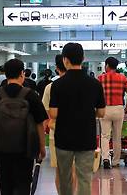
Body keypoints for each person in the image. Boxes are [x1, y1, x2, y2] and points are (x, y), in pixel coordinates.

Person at [49, 43, 106, 195]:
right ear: (83, 59)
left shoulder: (57, 84)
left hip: (63, 138)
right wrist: (86, 112)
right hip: (86, 137)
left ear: (65, 60)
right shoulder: (95, 84)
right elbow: (101, 112)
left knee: (64, 178)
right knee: (85, 178)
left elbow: (53, 113)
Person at [0, 59, 47, 195]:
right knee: (23, 184)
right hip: (26, 149)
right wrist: (42, 147)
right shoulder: (31, 95)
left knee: (5, 185)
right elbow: (39, 124)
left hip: (1, 148)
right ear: (22, 74)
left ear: (5, 74)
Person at [98, 57, 127, 169]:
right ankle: (116, 161)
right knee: (117, 136)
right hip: (118, 108)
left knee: (105, 136)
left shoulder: (100, 78)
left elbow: (95, 94)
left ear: (107, 65)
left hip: (105, 109)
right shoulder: (122, 78)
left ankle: (106, 159)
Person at [42, 55, 69, 191]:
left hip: (56, 132)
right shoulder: (81, 85)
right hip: (77, 133)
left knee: (60, 170)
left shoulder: (50, 87)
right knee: (74, 171)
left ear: (57, 69)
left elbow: (46, 113)